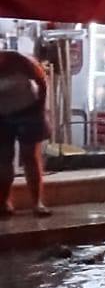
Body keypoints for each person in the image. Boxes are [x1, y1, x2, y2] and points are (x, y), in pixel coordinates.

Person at [0, 49, 51, 218]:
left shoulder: (17, 59)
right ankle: (4, 202)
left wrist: (41, 109)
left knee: (30, 156)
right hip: (2, 116)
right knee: (4, 159)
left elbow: (41, 80)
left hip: (29, 111)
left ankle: (37, 203)